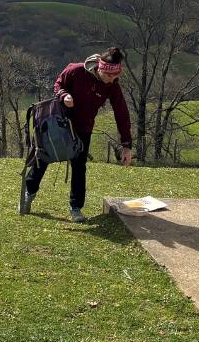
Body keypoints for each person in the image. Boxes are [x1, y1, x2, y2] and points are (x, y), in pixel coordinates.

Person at [21, 46, 133, 222]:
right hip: (60, 123)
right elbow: (58, 84)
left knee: (79, 167)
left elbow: (121, 112)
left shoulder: (112, 85)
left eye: (115, 76)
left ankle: (76, 208)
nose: (112, 80)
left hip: (83, 128)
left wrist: (126, 145)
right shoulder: (75, 70)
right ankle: (29, 193)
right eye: (109, 76)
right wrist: (63, 95)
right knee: (43, 157)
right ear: (100, 68)